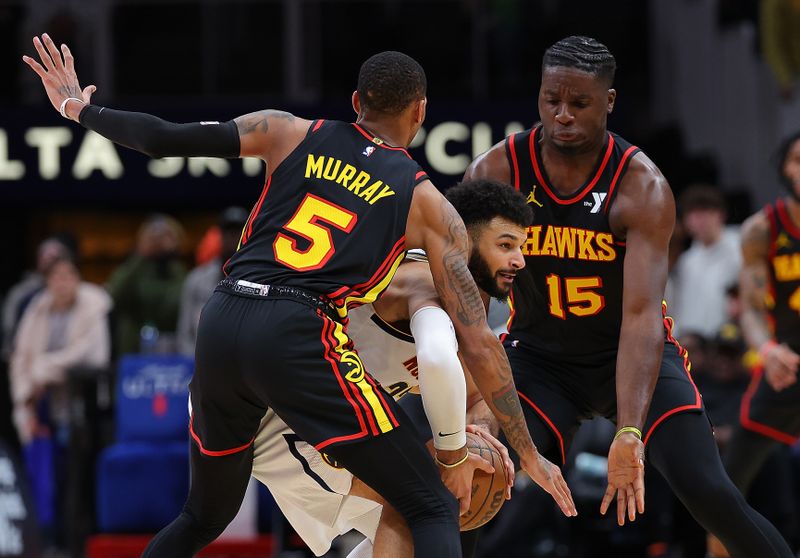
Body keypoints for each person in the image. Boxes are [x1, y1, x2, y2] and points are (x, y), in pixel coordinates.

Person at [23, 35, 574, 558]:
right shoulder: (428, 204)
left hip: (222, 317)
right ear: (421, 113)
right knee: (431, 502)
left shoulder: (287, 130)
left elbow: (166, 138)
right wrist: (527, 454)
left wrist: (78, 108)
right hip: (296, 328)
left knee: (202, 515)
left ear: (356, 102)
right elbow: (476, 340)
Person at [464, 35, 793, 558]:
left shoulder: (641, 186)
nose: (563, 115)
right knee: (473, 482)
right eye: (552, 101)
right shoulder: (496, 172)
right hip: (539, 356)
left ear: (610, 102)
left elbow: (641, 318)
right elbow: (472, 298)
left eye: (580, 103)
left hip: (632, 353)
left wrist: (630, 430)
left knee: (711, 492)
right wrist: (474, 399)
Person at [249, 178, 544, 558]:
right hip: (288, 417)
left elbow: (478, 393)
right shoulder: (421, 279)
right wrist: (454, 452)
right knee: (428, 498)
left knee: (422, 509)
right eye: (505, 245)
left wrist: (479, 434)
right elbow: (437, 358)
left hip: (327, 423)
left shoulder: (472, 308)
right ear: (464, 241)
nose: (519, 260)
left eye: (521, 247)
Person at [711, 131, 800, 557]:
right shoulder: (762, 229)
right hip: (784, 363)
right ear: (784, 168)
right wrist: (766, 350)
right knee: (728, 482)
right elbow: (749, 306)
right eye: (799, 159)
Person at [107, 213, 187, 354]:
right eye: (153, 237)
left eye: (166, 236)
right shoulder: (134, 269)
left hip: (170, 349)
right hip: (133, 349)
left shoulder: (179, 272)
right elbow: (114, 295)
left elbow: (178, 309)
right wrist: (141, 254)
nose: (159, 242)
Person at [669, 184, 741, 338]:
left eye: (705, 213)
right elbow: (680, 309)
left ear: (720, 214)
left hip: (733, 338)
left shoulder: (741, 246)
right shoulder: (686, 262)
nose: (699, 220)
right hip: (696, 343)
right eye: (693, 214)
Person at [176, 206, 249, 356]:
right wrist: (194, 364)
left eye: (238, 232)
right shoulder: (197, 278)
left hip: (244, 363)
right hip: (203, 361)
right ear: (220, 235)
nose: (233, 237)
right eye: (228, 232)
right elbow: (184, 332)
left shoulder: (259, 278)